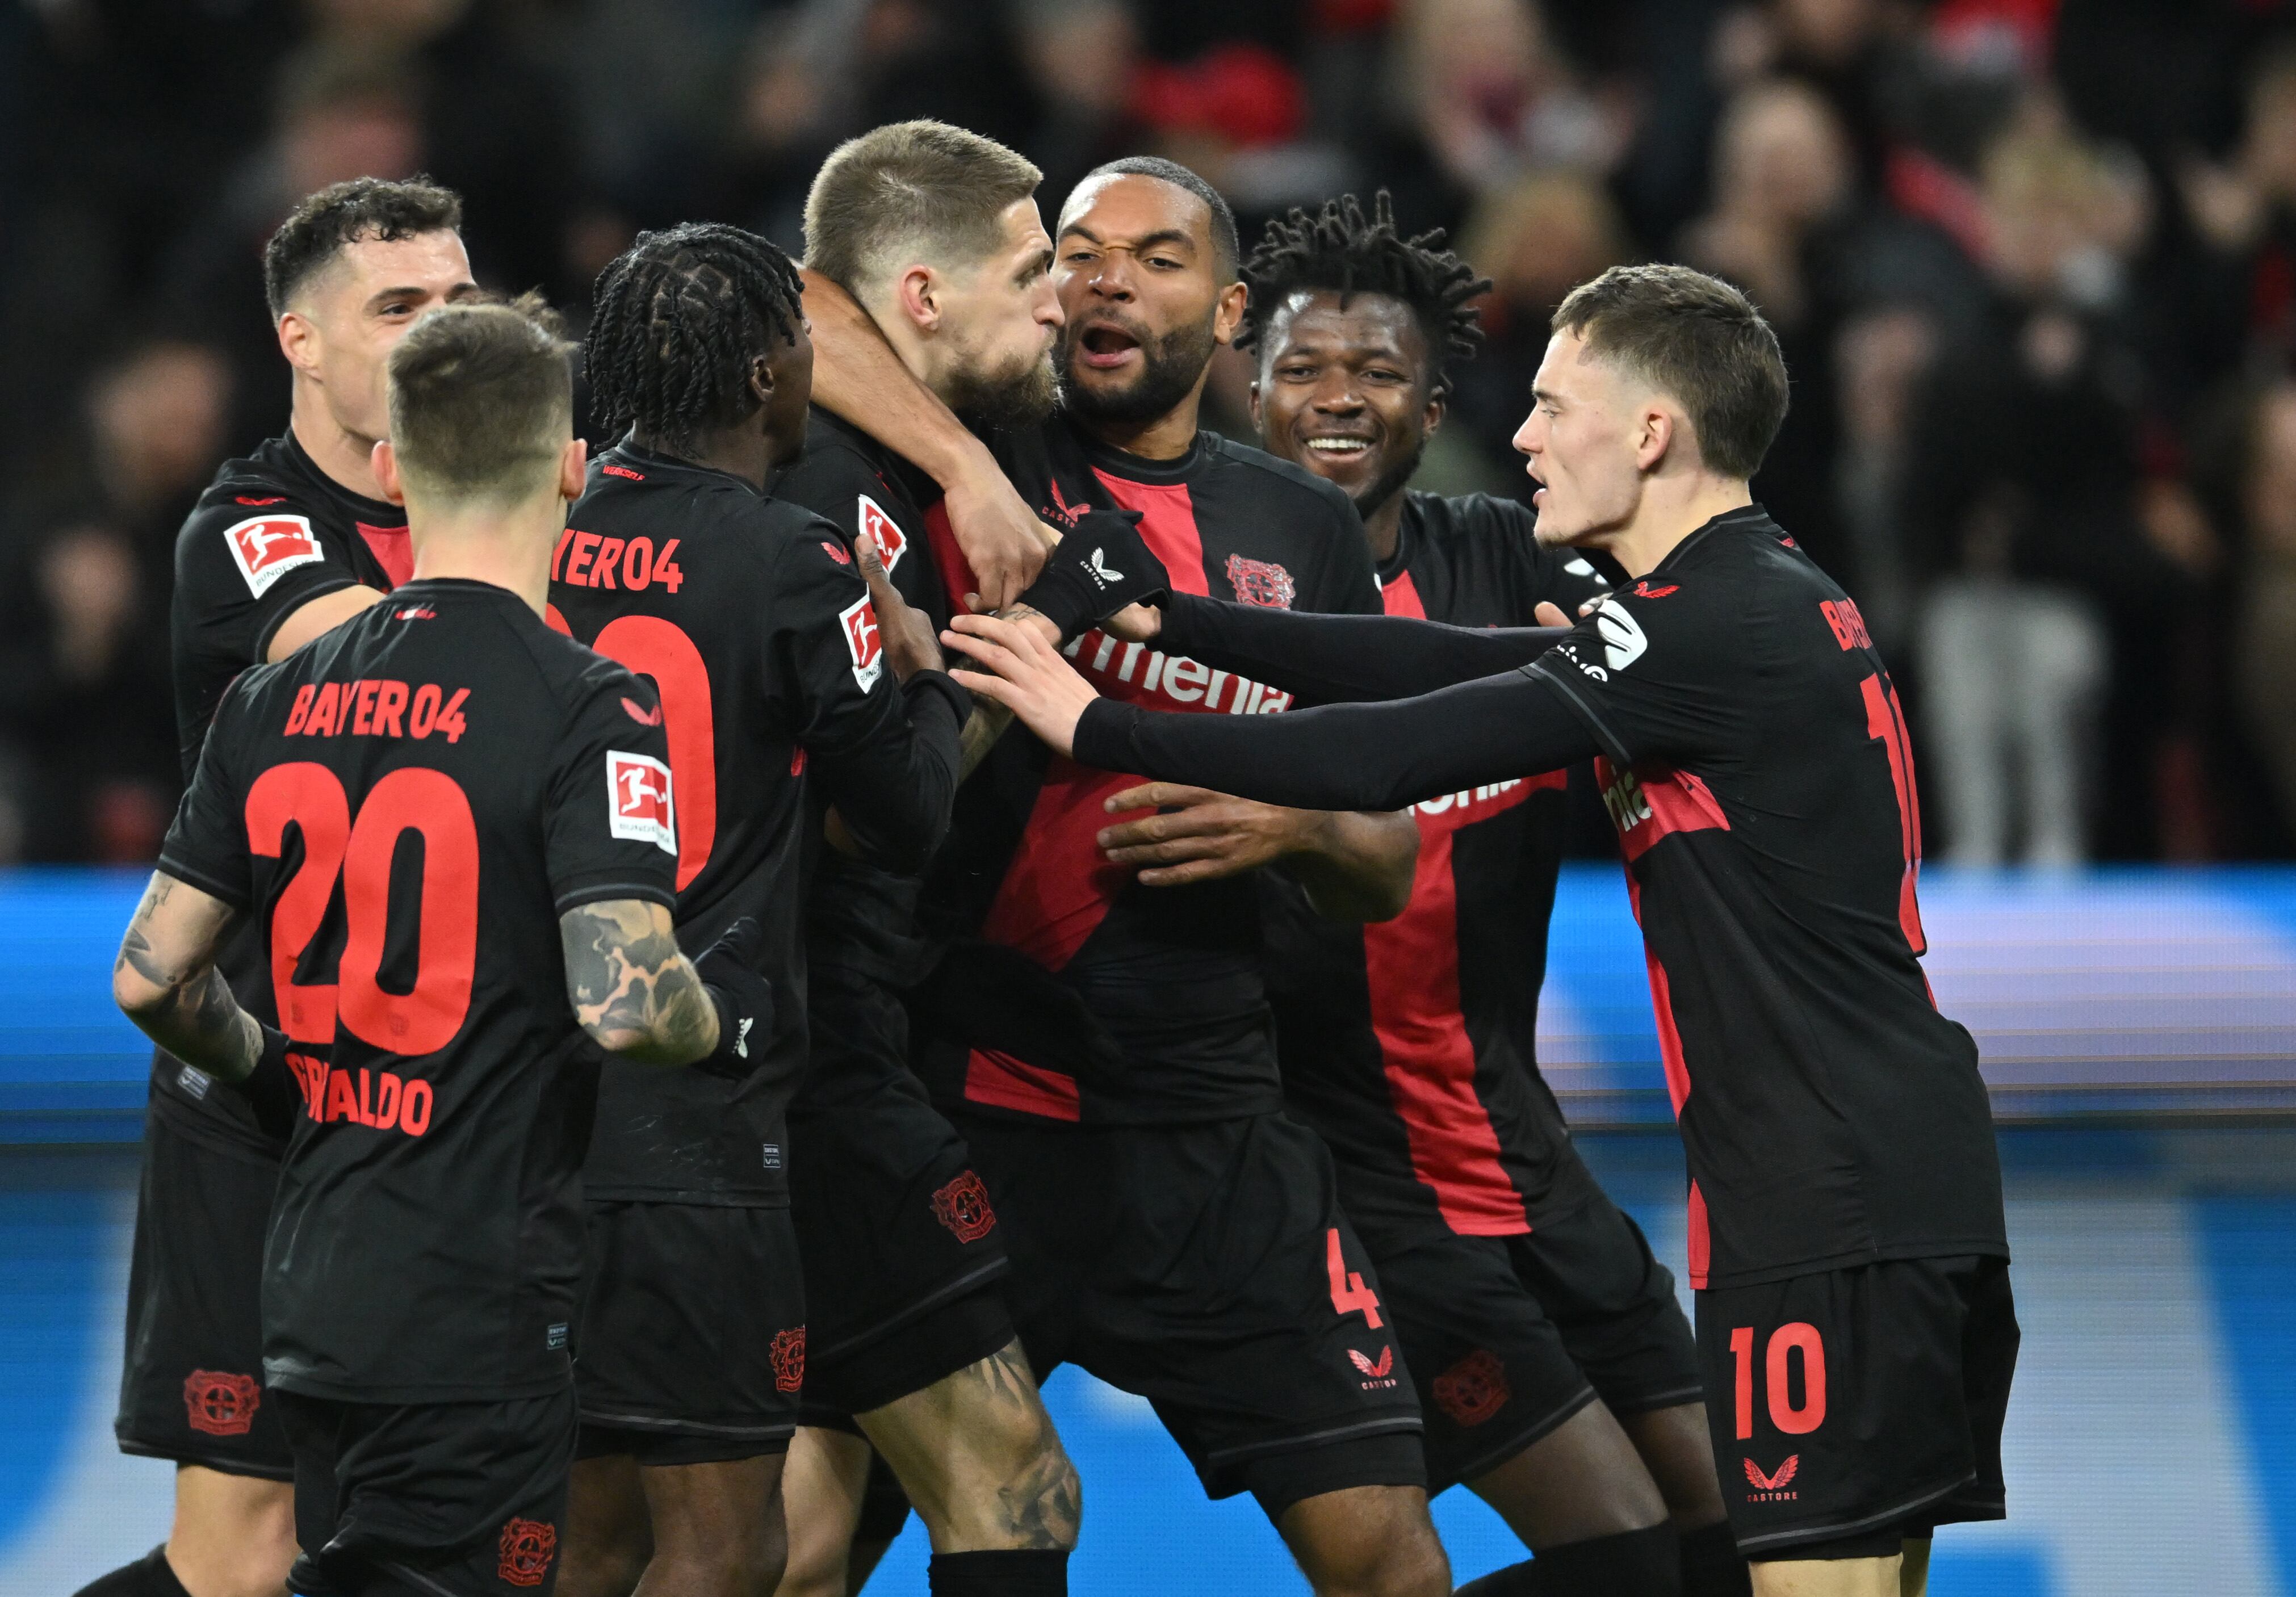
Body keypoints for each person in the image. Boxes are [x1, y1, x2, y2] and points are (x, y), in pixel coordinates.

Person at [945, 262, 2016, 1597]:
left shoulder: (1711, 624)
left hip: (1824, 1187)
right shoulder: (1755, 595)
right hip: (1889, 1165)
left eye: (1556, 405)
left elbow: (1399, 749)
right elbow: (1442, 661)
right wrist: (1177, 623)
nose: (1519, 434)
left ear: (1649, 433)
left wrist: (1094, 722)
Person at [803, 153, 1453, 1597]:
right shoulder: (967, 442)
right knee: (793, 1552)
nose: (1101, 278)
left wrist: (1284, 824)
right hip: (965, 1099)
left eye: (1153, 259)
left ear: (1227, 314)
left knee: (1393, 1566)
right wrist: (970, 470)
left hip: (1214, 1129)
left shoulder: (1295, 529)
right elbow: (800, 302)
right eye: (1076, 252)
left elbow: (1388, 856)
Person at [108, 295, 769, 1597]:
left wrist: (275, 1084)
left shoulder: (275, 690)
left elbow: (153, 973)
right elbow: (631, 1004)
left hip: (308, 1272)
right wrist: (715, 1020)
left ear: (396, 467)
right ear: (574, 468)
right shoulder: (589, 699)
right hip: (478, 1285)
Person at [1235, 192, 1745, 1597]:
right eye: (1302, 370)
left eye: (1378, 372)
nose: (1338, 400)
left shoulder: (1511, 565)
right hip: (1356, 1176)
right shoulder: (1203, 590)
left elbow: (1711, 601)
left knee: (1746, 1542)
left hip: (1524, 1148)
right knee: (1625, 1557)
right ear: (1247, 387)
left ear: (1434, 398)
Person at [548, 223, 978, 1597]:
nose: (815, 370)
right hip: (701, 1115)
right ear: (758, 377)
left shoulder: (543, 527)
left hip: (535, 1102)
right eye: (801, 345)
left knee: (588, 1536)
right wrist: (925, 671)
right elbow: (906, 816)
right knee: (728, 1549)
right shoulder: (797, 561)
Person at [78, 175, 477, 1597]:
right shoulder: (251, 526)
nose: (442, 334)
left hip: (466, 1103)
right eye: (398, 308)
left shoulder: (528, 508)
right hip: (270, 1095)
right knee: (243, 1552)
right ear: (301, 342)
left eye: (460, 303)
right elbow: (387, 668)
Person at [761, 123, 1083, 1597]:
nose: (1062, 300)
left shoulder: (950, 446)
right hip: (818, 1047)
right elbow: (841, 810)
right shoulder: (832, 480)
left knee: (787, 1539)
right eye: (1032, 272)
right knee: (1010, 1486)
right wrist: (982, 691)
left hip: (833, 1038)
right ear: (924, 292)